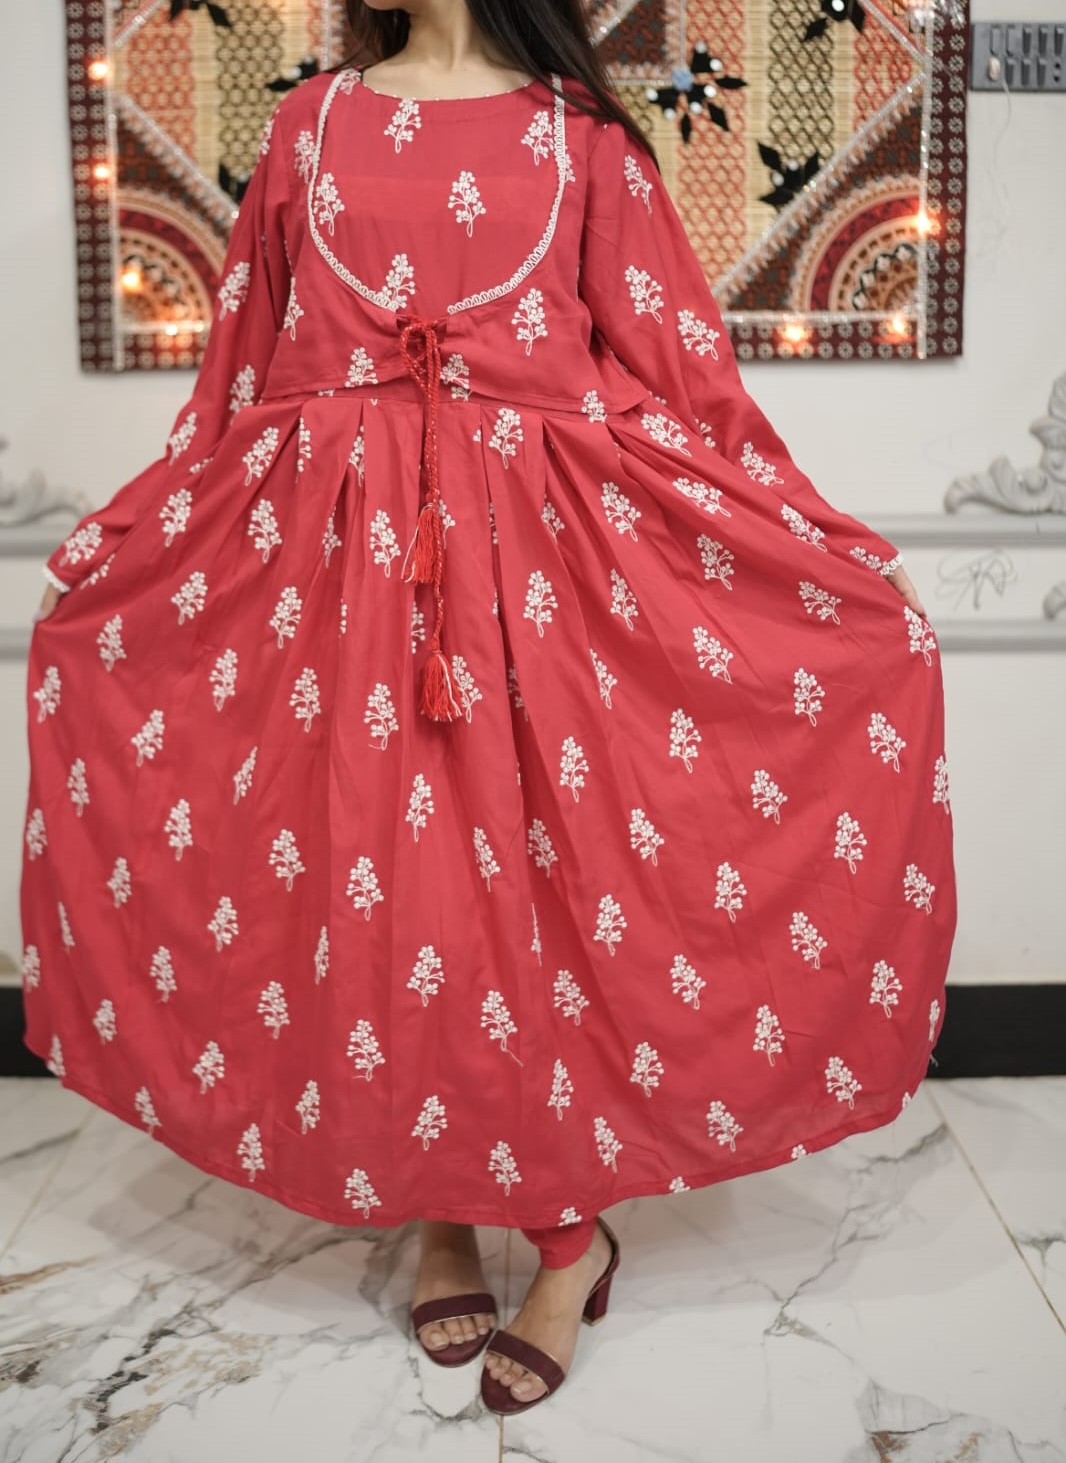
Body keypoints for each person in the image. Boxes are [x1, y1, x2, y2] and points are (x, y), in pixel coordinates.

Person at [22, 0, 957, 1417]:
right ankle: (445, 1212)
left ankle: (568, 1244)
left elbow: (686, 382)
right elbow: (234, 381)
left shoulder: (585, 141)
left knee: (537, 911)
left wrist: (813, 545)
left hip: (538, 592)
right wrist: (132, 537)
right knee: (391, 907)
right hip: (338, 590)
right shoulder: (307, 126)